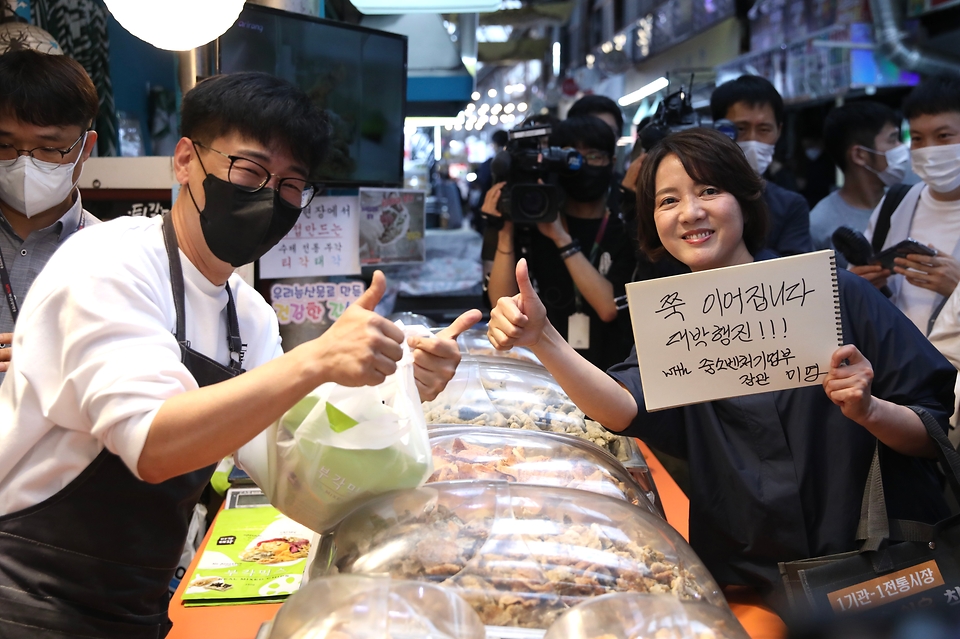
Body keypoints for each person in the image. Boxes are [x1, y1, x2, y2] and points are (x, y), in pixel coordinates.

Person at [0, 71, 479, 638]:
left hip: (138, 604)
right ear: (185, 161)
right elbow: (152, 446)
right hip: (25, 599)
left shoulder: (246, 313)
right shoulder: (109, 262)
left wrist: (397, 388)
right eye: (249, 171)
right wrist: (316, 360)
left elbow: (295, 474)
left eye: (290, 184)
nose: (268, 197)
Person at [486, 127, 953, 602]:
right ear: (653, 222)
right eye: (668, 201)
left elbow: (935, 429)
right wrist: (544, 339)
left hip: (880, 574)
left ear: (745, 200)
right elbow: (622, 406)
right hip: (752, 585)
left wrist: (870, 410)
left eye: (709, 190)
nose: (691, 212)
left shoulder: (834, 293)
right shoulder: (672, 322)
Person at [484, 115, 639, 370]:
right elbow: (501, 301)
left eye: (594, 156)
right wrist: (505, 229)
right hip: (542, 372)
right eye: (572, 156)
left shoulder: (626, 227)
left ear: (611, 162)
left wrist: (560, 237)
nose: (581, 165)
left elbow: (608, 308)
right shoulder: (531, 221)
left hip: (612, 368)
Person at [0, 49, 101, 378]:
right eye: (5, 146)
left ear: (85, 148)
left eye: (48, 149)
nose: (24, 163)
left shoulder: (116, 257)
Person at [852, 77, 960, 337]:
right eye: (918, 138)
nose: (929, 150)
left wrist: (957, 289)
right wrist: (859, 284)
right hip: (900, 369)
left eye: (943, 136)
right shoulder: (896, 203)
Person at [710, 75, 813, 256]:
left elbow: (796, 274)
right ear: (717, 129)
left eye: (764, 130)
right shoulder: (690, 201)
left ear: (778, 131)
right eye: (740, 129)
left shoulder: (790, 206)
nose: (752, 140)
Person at [810, 101, 907, 266]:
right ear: (860, 155)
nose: (902, 148)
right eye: (892, 140)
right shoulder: (820, 222)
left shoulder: (907, 201)